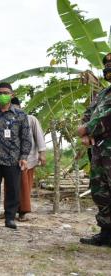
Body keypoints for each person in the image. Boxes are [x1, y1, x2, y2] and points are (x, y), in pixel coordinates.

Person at [0, 83, 31, 230]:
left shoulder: (21, 115)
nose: (2, 95)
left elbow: (26, 137)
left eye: (5, 92)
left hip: (13, 158)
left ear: (12, 94)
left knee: (13, 189)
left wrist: (24, 156)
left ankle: (10, 218)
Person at [78, 53, 111, 246]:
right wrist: (85, 133)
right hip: (99, 152)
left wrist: (87, 128)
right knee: (101, 192)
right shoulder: (103, 94)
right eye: (106, 64)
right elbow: (88, 114)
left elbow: (106, 117)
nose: (107, 68)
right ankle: (106, 233)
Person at [11, 97, 46, 221]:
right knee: (11, 186)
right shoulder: (7, 119)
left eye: (15, 107)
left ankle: (23, 212)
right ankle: (10, 211)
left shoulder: (31, 119)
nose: (13, 110)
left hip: (28, 159)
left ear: (20, 107)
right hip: (11, 159)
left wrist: (42, 153)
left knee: (24, 186)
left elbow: (39, 136)